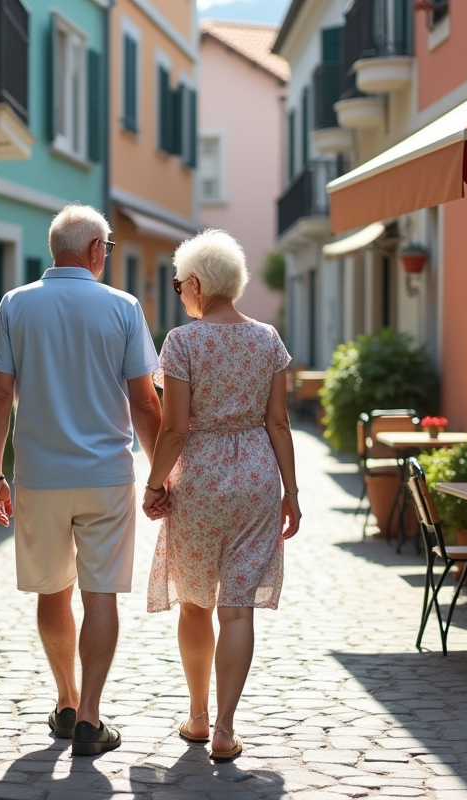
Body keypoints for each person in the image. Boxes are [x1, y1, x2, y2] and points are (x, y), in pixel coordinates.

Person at [0, 204, 163, 756]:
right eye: (105, 250)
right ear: (92, 251)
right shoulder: (123, 307)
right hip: (106, 475)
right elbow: (145, 403)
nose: (105, 258)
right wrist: (159, 474)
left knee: (52, 590)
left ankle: (64, 700)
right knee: (99, 593)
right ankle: (89, 718)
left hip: (39, 476)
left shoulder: (17, 303)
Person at [141, 229, 301, 762]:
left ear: (196, 284)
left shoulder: (183, 342)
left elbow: (174, 429)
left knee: (194, 602)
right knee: (237, 610)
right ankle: (226, 730)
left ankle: (198, 715)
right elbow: (279, 423)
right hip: (257, 476)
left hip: (201, 480)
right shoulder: (269, 339)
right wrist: (292, 493)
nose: (179, 292)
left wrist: (154, 483)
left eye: (179, 283)